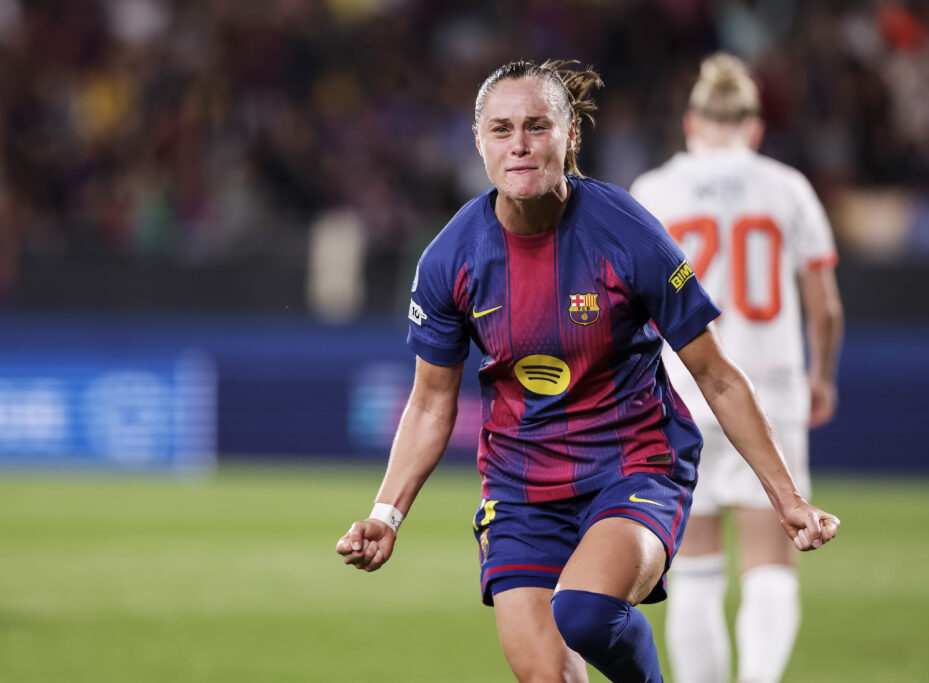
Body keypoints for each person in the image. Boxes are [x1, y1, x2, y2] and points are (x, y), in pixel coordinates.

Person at [336, 59, 839, 683]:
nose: (519, 144)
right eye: (501, 129)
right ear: (478, 142)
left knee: (585, 612)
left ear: (570, 134)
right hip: (520, 489)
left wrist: (787, 498)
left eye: (536, 125)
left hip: (633, 466)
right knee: (548, 675)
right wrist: (386, 514)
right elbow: (431, 402)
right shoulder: (450, 259)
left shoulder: (626, 231)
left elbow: (716, 374)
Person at [630, 53, 844, 683]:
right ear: (754, 127)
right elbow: (826, 308)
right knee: (771, 560)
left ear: (690, 123)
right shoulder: (787, 187)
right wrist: (822, 377)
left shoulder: (654, 191)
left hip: (682, 388)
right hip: (770, 388)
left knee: (693, 568)